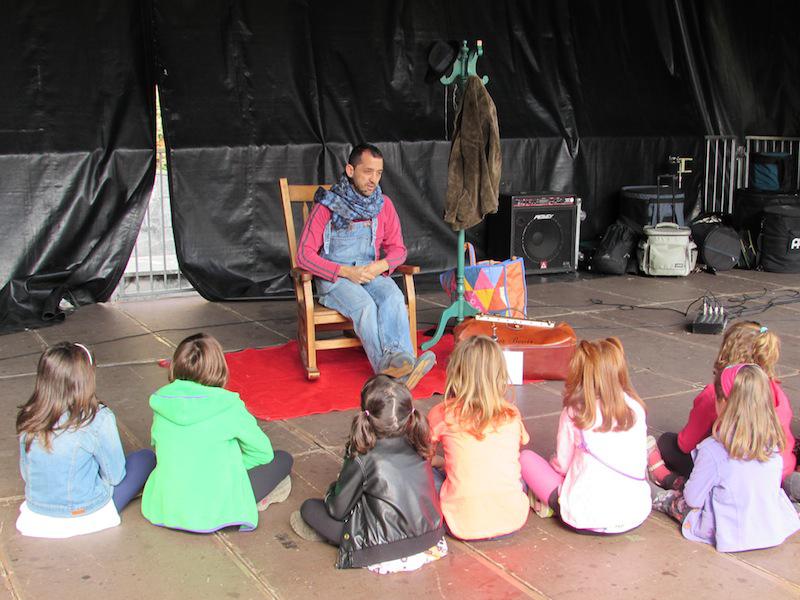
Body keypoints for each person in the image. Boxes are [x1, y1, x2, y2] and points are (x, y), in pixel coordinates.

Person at [295, 143, 435, 389]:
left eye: (378, 173)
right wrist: (346, 272)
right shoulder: (326, 206)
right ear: (350, 170)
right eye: (368, 171)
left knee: (392, 295)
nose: (374, 179)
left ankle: (400, 360)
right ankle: (388, 371)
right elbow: (303, 256)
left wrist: (381, 265)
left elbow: (399, 250)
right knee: (365, 306)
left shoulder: (384, 205)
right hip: (336, 278)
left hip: (370, 272)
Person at [289, 375, 446, 572]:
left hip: (384, 550)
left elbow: (337, 510)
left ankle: (330, 537)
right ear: (409, 414)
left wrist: (333, 488)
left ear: (366, 414)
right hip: (431, 540)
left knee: (310, 508)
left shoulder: (364, 456)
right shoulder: (419, 443)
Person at [141, 333, 293, 533]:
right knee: (283, 459)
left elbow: (160, 445)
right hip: (215, 506)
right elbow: (263, 453)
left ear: (175, 366)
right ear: (219, 368)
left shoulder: (162, 401)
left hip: (167, 506)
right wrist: (226, 466)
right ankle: (248, 504)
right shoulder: (229, 405)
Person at [652, 364, 800, 552]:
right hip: (769, 528)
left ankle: (656, 486)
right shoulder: (772, 443)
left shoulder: (713, 449)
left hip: (728, 531)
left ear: (724, 403)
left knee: (673, 501)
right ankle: (668, 479)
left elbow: (693, 499)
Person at [15, 342, 155, 538]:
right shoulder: (97, 417)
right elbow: (115, 476)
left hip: (38, 512)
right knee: (146, 458)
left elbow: (26, 473)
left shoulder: (30, 416)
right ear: (86, 379)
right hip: (86, 514)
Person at [520, 337, 651, 534]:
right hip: (634, 513)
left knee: (526, 459)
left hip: (583, 515)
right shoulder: (635, 408)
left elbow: (562, 466)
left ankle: (546, 502)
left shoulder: (575, 412)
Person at [648, 322, 794, 490]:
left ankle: (670, 479)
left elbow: (685, 444)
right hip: (780, 469)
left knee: (667, 442)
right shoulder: (776, 390)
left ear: (726, 351)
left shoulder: (717, 395)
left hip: (738, 476)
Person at [427, 335, 530, 540]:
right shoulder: (511, 413)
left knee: (423, 474)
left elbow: (424, 457)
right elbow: (506, 452)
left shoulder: (441, 413)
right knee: (518, 472)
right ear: (500, 374)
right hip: (512, 520)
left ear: (455, 373)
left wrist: (442, 462)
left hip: (459, 523)